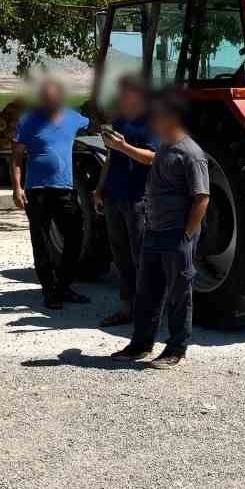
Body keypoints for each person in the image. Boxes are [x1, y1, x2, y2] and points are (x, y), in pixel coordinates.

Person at [106, 89, 209, 367]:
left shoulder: (191, 153)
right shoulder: (163, 147)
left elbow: (201, 198)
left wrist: (186, 235)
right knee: (147, 291)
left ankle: (176, 349)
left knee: (178, 294)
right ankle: (141, 344)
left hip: (176, 234)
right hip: (154, 231)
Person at [10, 77, 90, 310]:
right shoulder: (28, 120)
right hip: (36, 191)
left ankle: (64, 285)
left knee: (75, 235)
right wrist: (17, 187)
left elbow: (94, 123)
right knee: (42, 241)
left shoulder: (73, 118)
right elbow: (16, 157)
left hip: (64, 188)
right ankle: (49, 291)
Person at [93, 75, 153, 327]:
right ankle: (127, 308)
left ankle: (147, 313)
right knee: (121, 256)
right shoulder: (119, 121)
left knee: (142, 258)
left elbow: (151, 157)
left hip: (137, 199)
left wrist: (123, 146)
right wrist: (99, 189)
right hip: (114, 197)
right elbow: (110, 157)